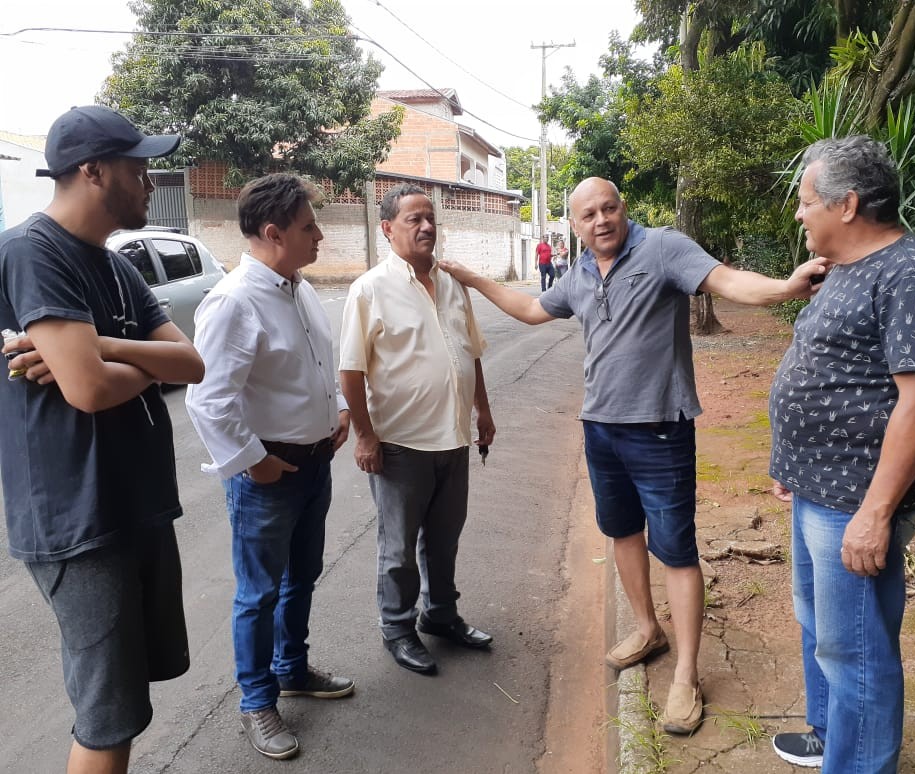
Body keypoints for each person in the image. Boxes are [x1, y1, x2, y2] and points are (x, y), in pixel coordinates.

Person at [438, 176, 825, 734]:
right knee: (621, 533)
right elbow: (527, 309)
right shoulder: (578, 275)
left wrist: (787, 289)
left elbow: (726, 281)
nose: (601, 220)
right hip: (601, 429)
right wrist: (472, 279)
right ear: (574, 225)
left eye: (609, 208)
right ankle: (647, 628)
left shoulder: (664, 249)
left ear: (623, 209)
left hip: (660, 429)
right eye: (588, 214)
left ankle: (686, 674)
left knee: (676, 550)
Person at [0, 105, 205, 774]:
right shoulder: (34, 251)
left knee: (127, 704)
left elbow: (193, 363)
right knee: (106, 715)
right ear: (92, 171)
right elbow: (87, 391)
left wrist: (106, 347)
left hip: (132, 506)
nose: (150, 181)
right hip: (78, 519)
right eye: (138, 168)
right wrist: (138, 362)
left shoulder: (115, 267)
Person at [767, 136, 915, 772]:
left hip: (856, 500)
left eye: (806, 203)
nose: (800, 214)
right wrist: (793, 465)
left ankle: (860, 763)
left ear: (846, 205)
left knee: (858, 653)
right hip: (818, 488)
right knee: (821, 628)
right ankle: (830, 734)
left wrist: (876, 514)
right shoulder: (846, 268)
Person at [185, 173, 354, 761]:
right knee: (258, 593)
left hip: (314, 465)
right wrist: (253, 463)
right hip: (269, 475)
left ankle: (292, 668)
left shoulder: (296, 287)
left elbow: (316, 363)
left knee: (301, 577)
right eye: (310, 227)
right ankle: (258, 699)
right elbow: (208, 399)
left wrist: (336, 407)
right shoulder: (235, 300)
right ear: (273, 232)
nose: (321, 236)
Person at [339, 182, 495, 676]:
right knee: (399, 547)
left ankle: (441, 614)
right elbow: (351, 371)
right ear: (387, 229)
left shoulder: (452, 284)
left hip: (453, 438)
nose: (427, 227)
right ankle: (398, 628)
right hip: (401, 444)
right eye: (414, 219)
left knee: (445, 538)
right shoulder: (369, 289)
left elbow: (470, 353)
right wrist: (365, 436)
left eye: (431, 219)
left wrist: (483, 412)